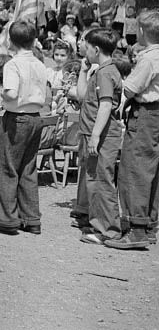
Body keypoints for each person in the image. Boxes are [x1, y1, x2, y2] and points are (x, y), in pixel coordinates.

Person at [0, 20, 50, 236]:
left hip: (16, 117)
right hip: (35, 117)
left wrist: (3, 94)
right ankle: (31, 218)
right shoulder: (41, 64)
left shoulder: (12, 65)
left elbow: (12, 93)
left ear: (10, 41)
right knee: (28, 167)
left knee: (6, 167)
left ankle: (6, 218)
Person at [105, 9, 159, 250]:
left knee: (134, 168)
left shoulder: (148, 58)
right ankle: (148, 224)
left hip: (146, 115)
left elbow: (131, 87)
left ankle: (136, 228)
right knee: (152, 169)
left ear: (142, 32)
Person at [70, 28, 124, 245]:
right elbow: (83, 97)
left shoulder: (105, 72)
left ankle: (109, 230)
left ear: (96, 49)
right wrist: (83, 71)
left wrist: (95, 136)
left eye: (88, 47)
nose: (85, 50)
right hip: (92, 133)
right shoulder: (98, 70)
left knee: (103, 182)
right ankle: (97, 223)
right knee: (94, 181)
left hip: (102, 136)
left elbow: (105, 104)